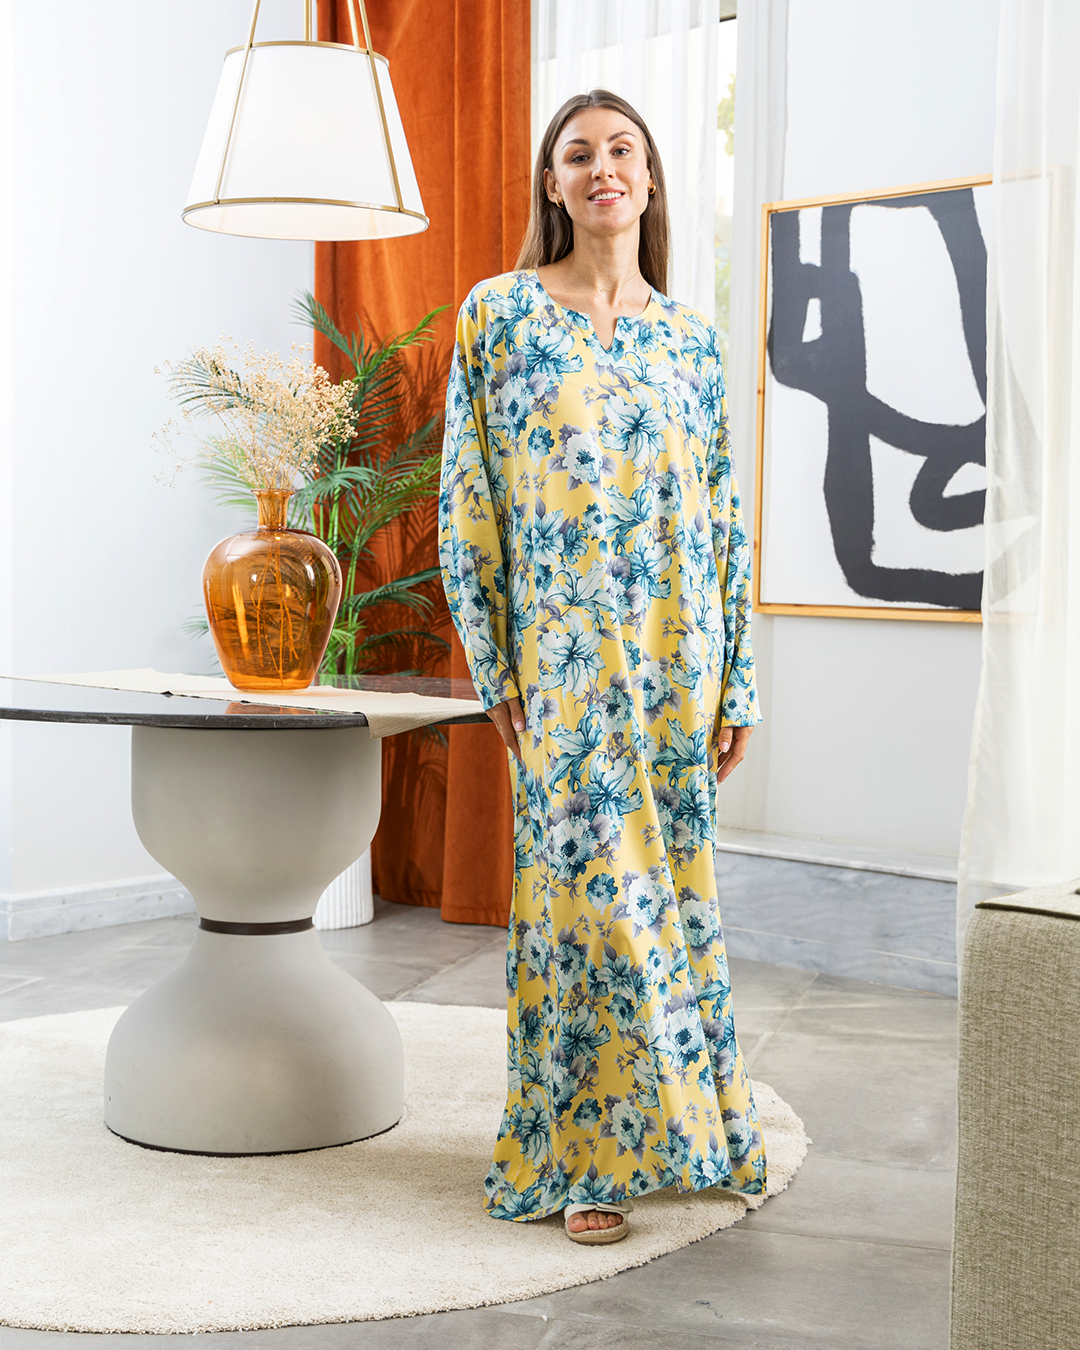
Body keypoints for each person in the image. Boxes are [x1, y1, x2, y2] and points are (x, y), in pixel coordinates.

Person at [438, 89, 764, 1247]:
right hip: (565, 668)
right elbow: (468, 500)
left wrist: (739, 677)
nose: (601, 168)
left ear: (651, 178)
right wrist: (497, 667)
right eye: (578, 154)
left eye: (622, 149)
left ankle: (697, 1132)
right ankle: (584, 1158)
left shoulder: (691, 340)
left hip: (679, 660)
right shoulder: (500, 315)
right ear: (553, 183)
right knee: (583, 909)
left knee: (672, 902)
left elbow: (723, 516)